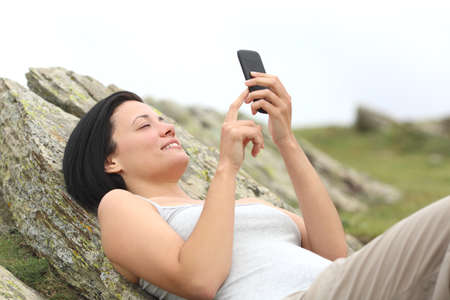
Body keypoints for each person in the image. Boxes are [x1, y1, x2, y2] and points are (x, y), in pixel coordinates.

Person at [62, 72, 450, 300]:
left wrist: (286, 139)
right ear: (110, 160)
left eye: (162, 118)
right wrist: (227, 167)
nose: (166, 126)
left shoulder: (248, 205)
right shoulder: (122, 206)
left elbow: (333, 253)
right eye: (144, 125)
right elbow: (198, 279)